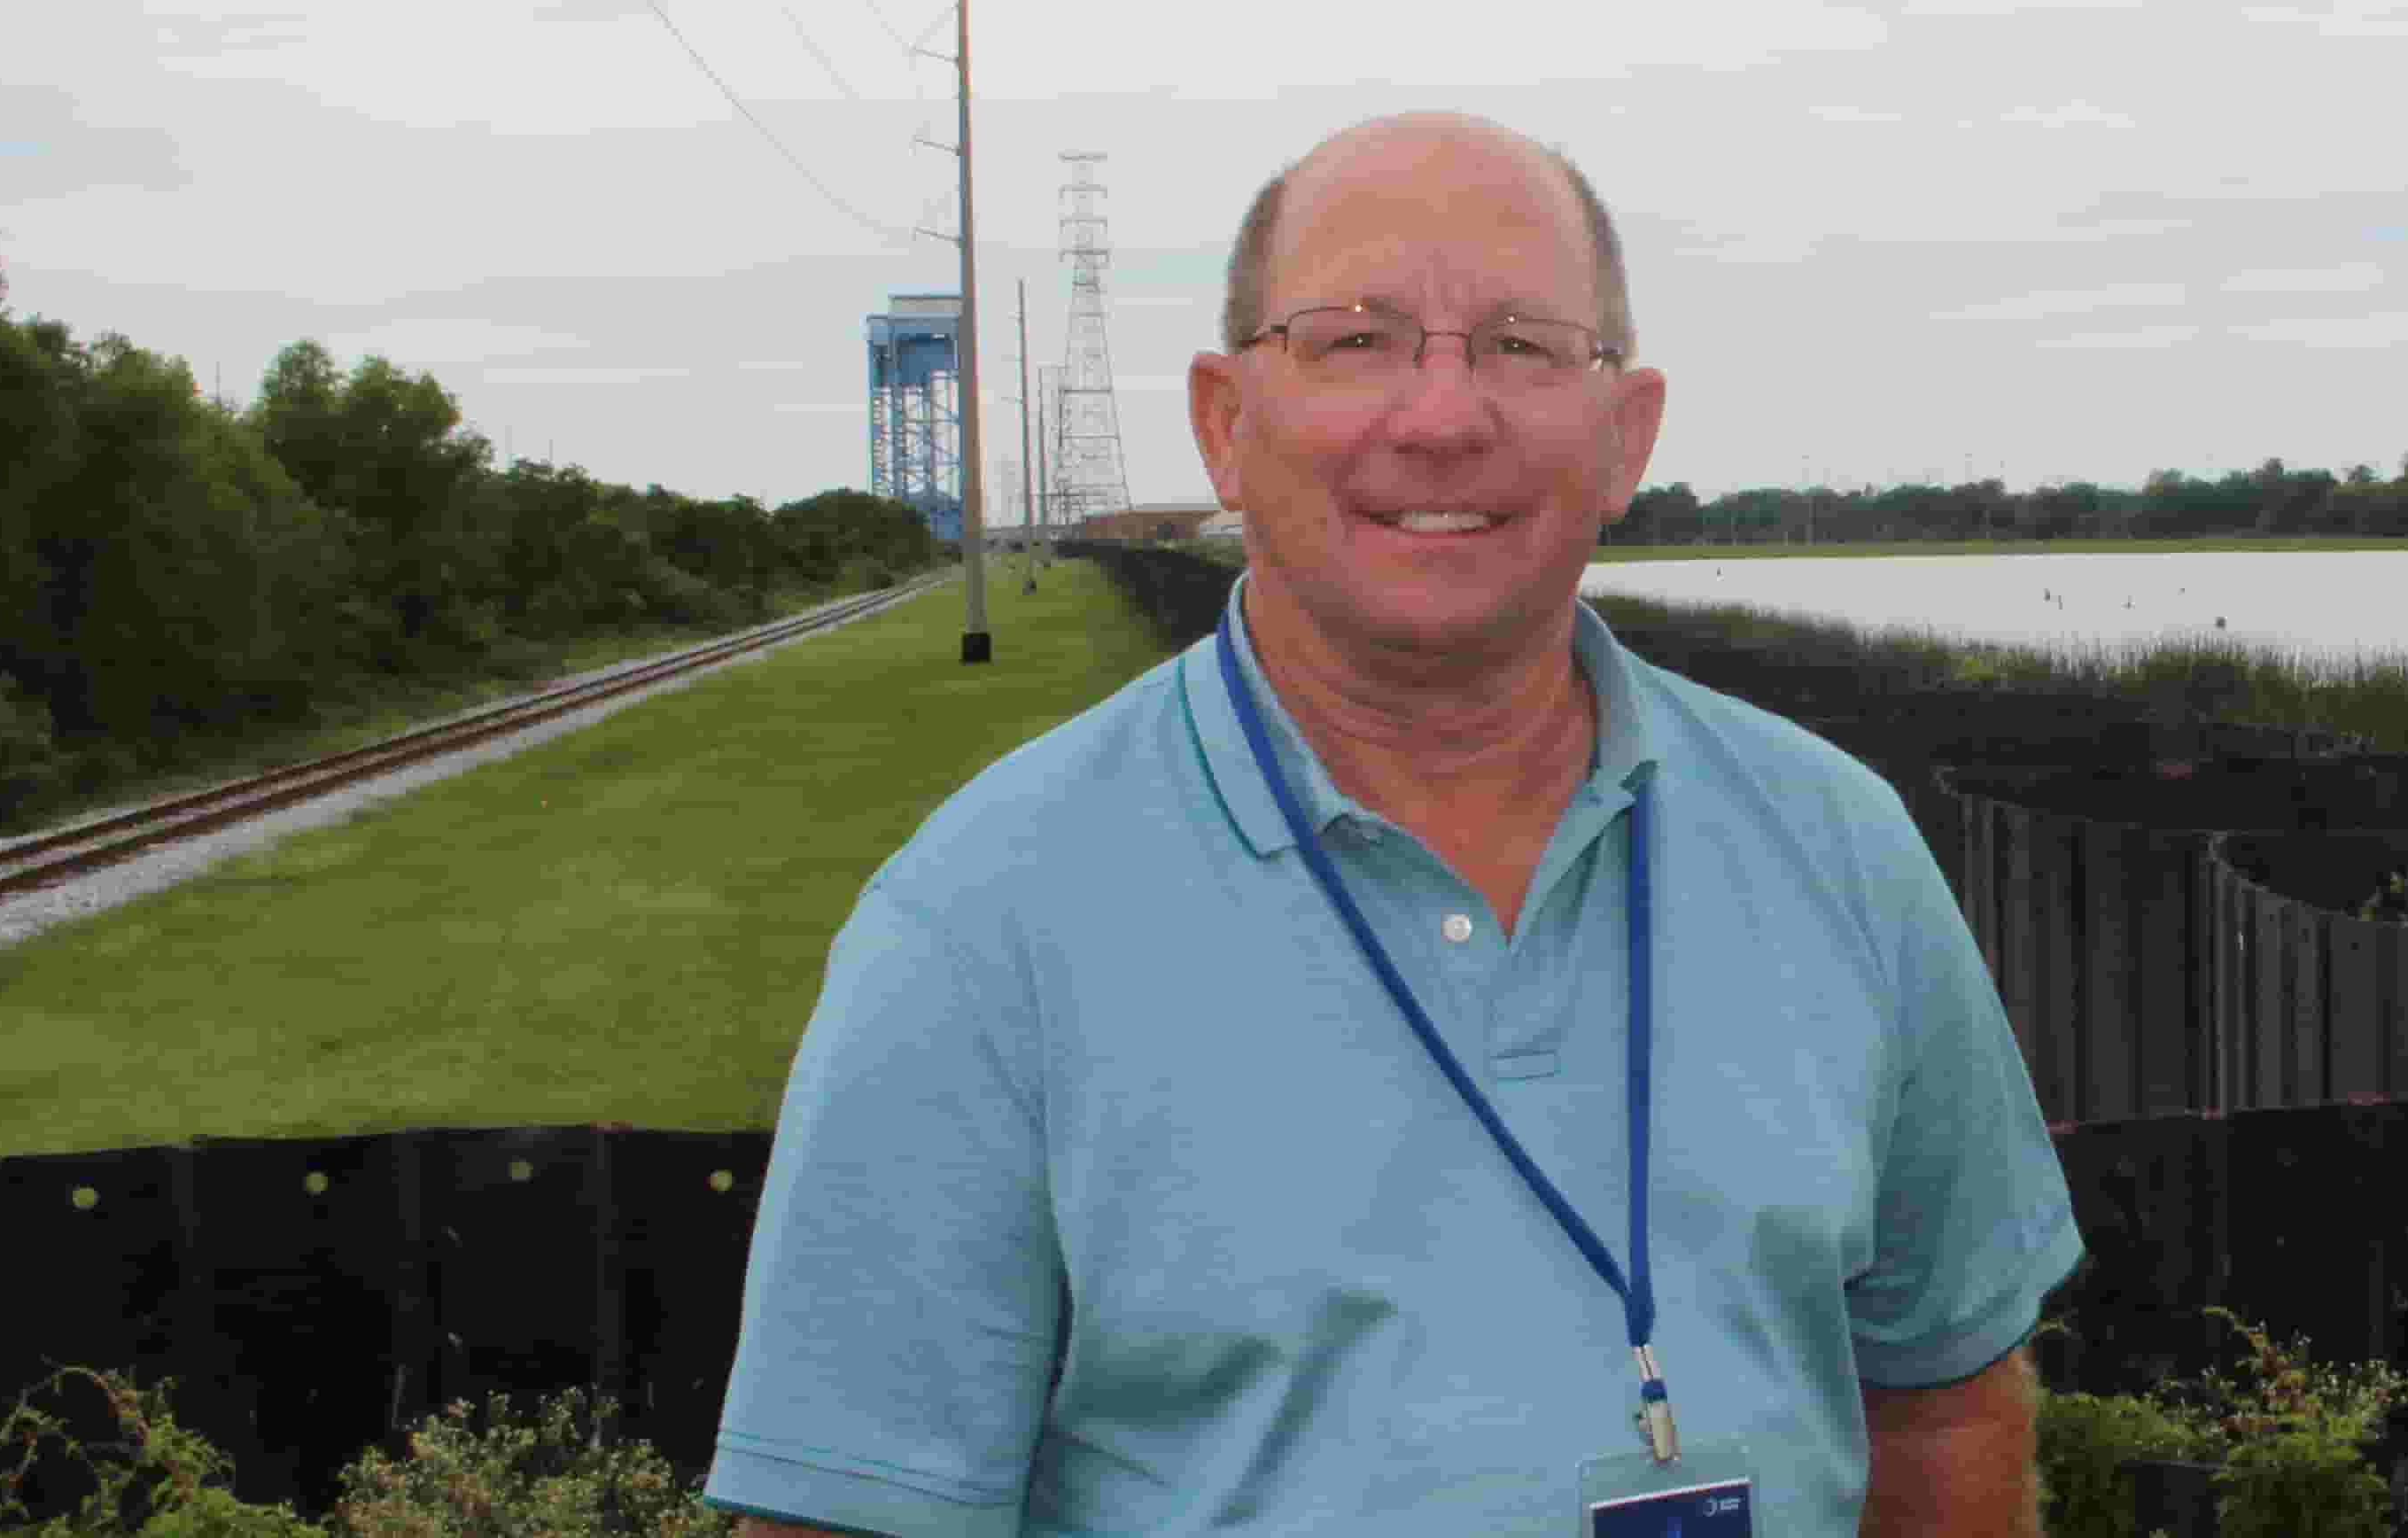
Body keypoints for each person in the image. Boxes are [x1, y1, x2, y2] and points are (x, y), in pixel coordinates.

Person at [700, 111, 2083, 1537]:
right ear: (1226, 425)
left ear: (1626, 433)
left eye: (1525, 345)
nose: (1440, 417)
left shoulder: (1843, 847)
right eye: (1354, 339)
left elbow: (1944, 1402)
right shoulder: (982, 927)